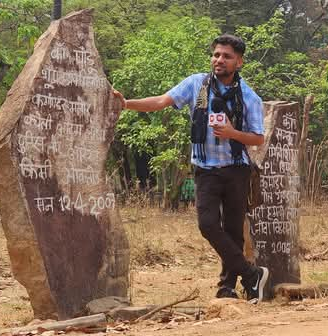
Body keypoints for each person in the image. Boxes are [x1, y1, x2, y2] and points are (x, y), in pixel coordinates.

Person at [113, 34, 270, 303]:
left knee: (233, 229)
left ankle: (227, 287)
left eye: (226, 56)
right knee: (208, 224)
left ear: (239, 62)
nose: (219, 60)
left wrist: (232, 132)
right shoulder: (196, 84)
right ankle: (251, 274)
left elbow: (257, 138)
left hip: (236, 169)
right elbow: (161, 101)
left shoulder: (249, 96)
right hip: (205, 167)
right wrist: (126, 104)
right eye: (216, 54)